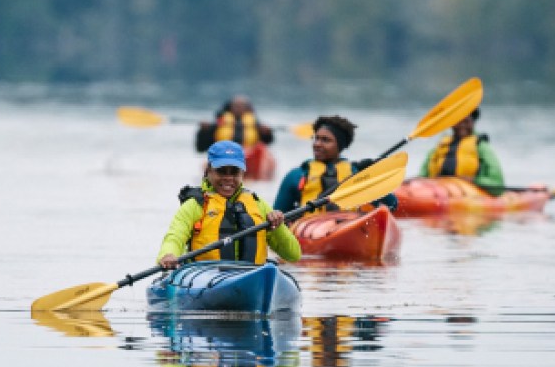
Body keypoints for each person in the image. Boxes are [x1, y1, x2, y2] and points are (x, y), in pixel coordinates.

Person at [158, 140, 301, 269]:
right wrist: (168, 255)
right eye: (221, 171)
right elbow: (175, 236)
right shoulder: (195, 205)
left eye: (234, 172)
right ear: (208, 171)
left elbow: (294, 254)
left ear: (242, 173)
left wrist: (278, 226)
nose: (228, 178)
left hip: (251, 275)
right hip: (205, 275)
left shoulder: (258, 204)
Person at [273, 115, 397, 214]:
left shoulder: (356, 173)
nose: (317, 144)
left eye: (325, 140)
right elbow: (277, 214)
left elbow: (392, 204)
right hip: (310, 229)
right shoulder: (296, 175)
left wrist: (373, 174)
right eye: (316, 138)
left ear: (340, 145)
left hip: (348, 224)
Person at [418, 108, 505, 195]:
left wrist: (474, 180)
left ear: (473, 122)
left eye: (466, 122)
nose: (462, 125)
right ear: (452, 124)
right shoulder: (441, 146)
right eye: (458, 121)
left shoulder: (481, 146)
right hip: (437, 189)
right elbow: (422, 175)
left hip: (470, 191)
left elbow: (497, 184)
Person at [195, 95, 274, 152]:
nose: (239, 108)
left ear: (248, 108)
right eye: (236, 105)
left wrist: (267, 133)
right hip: (225, 152)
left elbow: (267, 142)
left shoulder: (255, 124)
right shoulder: (219, 123)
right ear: (230, 107)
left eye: (242, 106)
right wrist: (203, 131)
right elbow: (201, 147)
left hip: (249, 152)